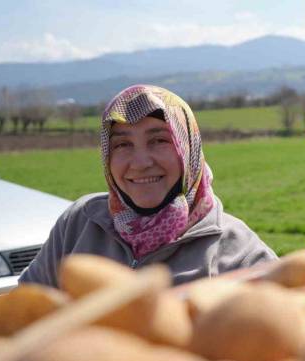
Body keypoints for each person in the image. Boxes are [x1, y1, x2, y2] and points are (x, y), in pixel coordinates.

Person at [20, 85, 277, 287]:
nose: (140, 163)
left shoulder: (240, 254)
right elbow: (24, 312)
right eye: (122, 144)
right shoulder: (79, 223)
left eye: (159, 141)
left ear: (188, 149)